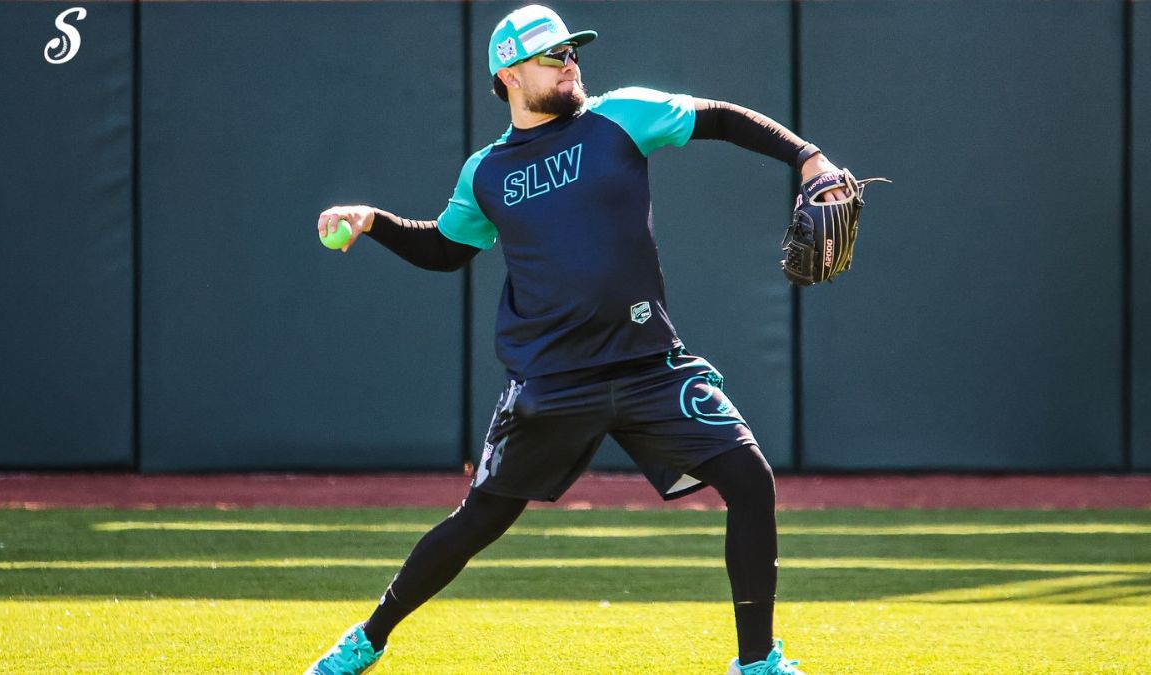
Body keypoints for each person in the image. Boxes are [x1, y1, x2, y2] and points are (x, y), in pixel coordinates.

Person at [307, 5, 847, 674]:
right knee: (480, 520)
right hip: (552, 380)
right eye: (550, 55)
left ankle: (757, 662)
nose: (569, 62)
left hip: (651, 363)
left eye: (571, 51)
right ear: (507, 75)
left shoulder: (620, 118)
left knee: (749, 476)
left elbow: (723, 118)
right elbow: (447, 249)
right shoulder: (486, 172)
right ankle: (369, 636)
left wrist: (808, 158)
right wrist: (374, 221)